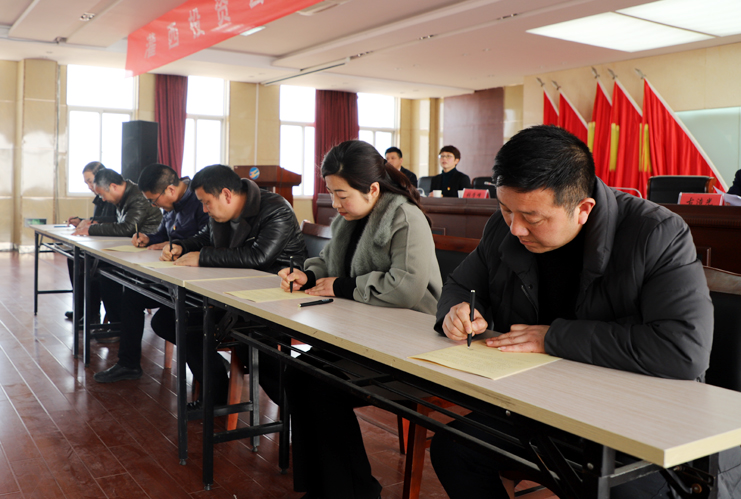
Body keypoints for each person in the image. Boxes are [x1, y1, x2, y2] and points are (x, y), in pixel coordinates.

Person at [429, 125, 741, 498]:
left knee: (611, 489)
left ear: (583, 209)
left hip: (639, 418)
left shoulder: (656, 233)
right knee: (454, 449)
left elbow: (683, 350)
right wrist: (458, 310)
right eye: (505, 208)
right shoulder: (504, 227)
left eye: (532, 218)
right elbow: (460, 284)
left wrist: (552, 337)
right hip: (543, 403)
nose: (515, 228)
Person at [279, 140, 443, 499]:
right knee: (296, 373)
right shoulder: (348, 218)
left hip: (408, 344)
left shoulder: (405, 217)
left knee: (322, 387)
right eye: (331, 193)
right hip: (362, 333)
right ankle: (320, 486)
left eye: (341, 195)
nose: (335, 203)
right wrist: (308, 275)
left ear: (372, 189)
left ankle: (356, 491)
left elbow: (405, 288)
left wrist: (342, 285)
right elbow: (329, 262)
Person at [159, 164, 307, 406]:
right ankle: (216, 387)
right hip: (233, 292)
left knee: (246, 346)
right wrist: (181, 246)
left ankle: (297, 409)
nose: (204, 209)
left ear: (226, 194)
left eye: (206, 202)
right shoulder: (221, 214)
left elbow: (258, 257)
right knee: (169, 319)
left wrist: (203, 257)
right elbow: (205, 238)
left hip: (272, 297)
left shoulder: (275, 209)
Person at [93, 164, 209, 383]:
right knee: (131, 296)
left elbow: (206, 240)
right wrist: (148, 238)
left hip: (195, 280)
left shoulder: (201, 203)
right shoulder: (171, 204)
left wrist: (178, 245)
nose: (154, 206)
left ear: (170, 190)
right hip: (171, 275)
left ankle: (209, 362)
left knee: (159, 317)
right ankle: (128, 364)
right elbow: (163, 234)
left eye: (154, 201)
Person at [64, 161, 116, 321]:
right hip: (100, 243)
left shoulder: (112, 197)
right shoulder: (99, 198)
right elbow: (98, 220)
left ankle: (91, 314)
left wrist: (90, 223)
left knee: (85, 262)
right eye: (86, 183)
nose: (89, 186)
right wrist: (82, 221)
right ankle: (81, 309)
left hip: (111, 247)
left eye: (90, 181)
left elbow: (112, 221)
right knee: (73, 257)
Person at [72, 169, 162, 237]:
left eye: (102, 195)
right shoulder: (122, 197)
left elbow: (127, 228)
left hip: (148, 248)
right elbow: (116, 222)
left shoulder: (138, 197)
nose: (103, 199)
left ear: (113, 187)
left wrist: (91, 229)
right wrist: (95, 222)